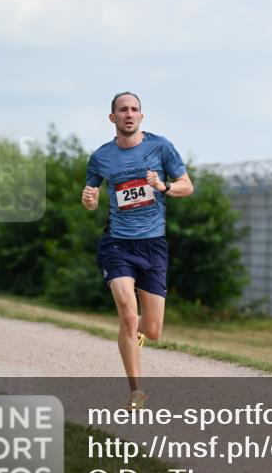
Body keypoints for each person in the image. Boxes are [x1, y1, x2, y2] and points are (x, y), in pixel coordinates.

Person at [81, 91, 193, 409]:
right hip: (117, 243)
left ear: (141, 116)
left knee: (152, 331)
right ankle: (136, 392)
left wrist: (164, 186)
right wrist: (89, 201)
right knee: (129, 314)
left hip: (153, 245)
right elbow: (90, 196)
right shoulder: (101, 156)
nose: (129, 114)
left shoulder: (160, 147)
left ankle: (132, 340)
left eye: (134, 109)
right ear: (112, 118)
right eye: (122, 110)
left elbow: (188, 185)